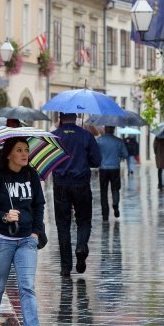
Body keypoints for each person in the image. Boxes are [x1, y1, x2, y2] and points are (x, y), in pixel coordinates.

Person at [0, 137, 51, 326]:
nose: (24, 153)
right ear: (8, 154)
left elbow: (39, 205)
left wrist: (36, 232)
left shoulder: (31, 175)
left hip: (27, 240)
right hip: (0, 240)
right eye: (19, 150)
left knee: (27, 286)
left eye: (26, 150)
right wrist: (4, 215)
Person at [51, 113, 101, 276]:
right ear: (77, 117)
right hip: (81, 184)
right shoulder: (86, 136)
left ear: (60, 117)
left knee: (63, 224)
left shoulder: (54, 137)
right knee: (84, 220)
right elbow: (97, 161)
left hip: (60, 185)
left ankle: (66, 267)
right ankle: (81, 247)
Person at [96, 126, 128, 221]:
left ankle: (105, 214)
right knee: (115, 189)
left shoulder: (99, 141)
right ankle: (115, 204)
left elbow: (95, 153)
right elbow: (125, 154)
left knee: (103, 191)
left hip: (103, 168)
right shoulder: (119, 141)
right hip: (115, 168)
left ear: (105, 130)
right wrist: (119, 156)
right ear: (113, 130)